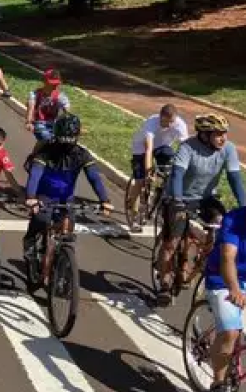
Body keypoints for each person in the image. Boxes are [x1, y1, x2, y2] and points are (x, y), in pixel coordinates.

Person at [155, 114, 245, 306]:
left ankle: (203, 259)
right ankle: (164, 281)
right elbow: (178, 175)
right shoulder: (188, 147)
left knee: (221, 225)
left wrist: (243, 205)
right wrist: (177, 201)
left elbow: (234, 178)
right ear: (204, 135)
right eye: (218, 134)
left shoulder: (227, 149)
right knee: (172, 241)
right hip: (179, 197)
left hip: (206, 198)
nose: (224, 138)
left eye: (225, 134)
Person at [23, 114, 113, 275]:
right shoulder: (46, 151)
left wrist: (104, 200)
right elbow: (35, 175)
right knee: (41, 219)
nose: (67, 144)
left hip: (66, 197)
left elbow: (94, 177)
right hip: (44, 195)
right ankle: (30, 240)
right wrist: (31, 197)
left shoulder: (82, 154)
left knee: (67, 229)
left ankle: (62, 259)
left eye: (71, 139)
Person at [202, 205, 246, 392]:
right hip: (222, 280)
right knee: (230, 332)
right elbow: (228, 257)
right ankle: (218, 382)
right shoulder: (235, 219)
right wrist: (235, 288)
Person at [126, 104, 188, 232]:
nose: (169, 125)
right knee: (140, 180)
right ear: (160, 117)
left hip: (163, 147)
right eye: (166, 122)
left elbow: (185, 149)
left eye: (172, 122)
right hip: (141, 148)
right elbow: (148, 149)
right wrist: (148, 171)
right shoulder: (152, 123)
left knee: (169, 167)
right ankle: (133, 212)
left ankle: (160, 192)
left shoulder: (180, 125)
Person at [24, 68, 70, 161]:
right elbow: (31, 108)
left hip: (54, 124)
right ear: (45, 81)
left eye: (57, 84)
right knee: (47, 138)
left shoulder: (60, 96)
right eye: (52, 83)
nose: (55, 86)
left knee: (63, 142)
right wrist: (28, 122)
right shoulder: (35, 94)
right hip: (39, 122)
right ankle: (33, 157)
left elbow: (68, 112)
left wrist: (71, 124)